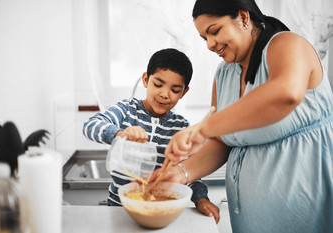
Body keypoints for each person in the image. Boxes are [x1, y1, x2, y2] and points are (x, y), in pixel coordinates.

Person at [151, 1, 333, 233]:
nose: (209, 44)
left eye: (214, 31)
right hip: (249, 218)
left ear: (244, 18)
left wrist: (204, 127)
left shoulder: (288, 44)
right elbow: (221, 140)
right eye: (204, 38)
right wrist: (181, 172)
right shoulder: (224, 73)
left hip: (303, 209)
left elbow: (286, 93)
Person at [82, 48, 220, 223]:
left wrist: (201, 199)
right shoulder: (127, 110)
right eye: (158, 84)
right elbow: (90, 125)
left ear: (184, 92)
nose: (164, 94)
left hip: (160, 211)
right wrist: (119, 133)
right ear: (146, 80)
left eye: (175, 89)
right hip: (119, 209)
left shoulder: (181, 127)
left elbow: (189, 173)